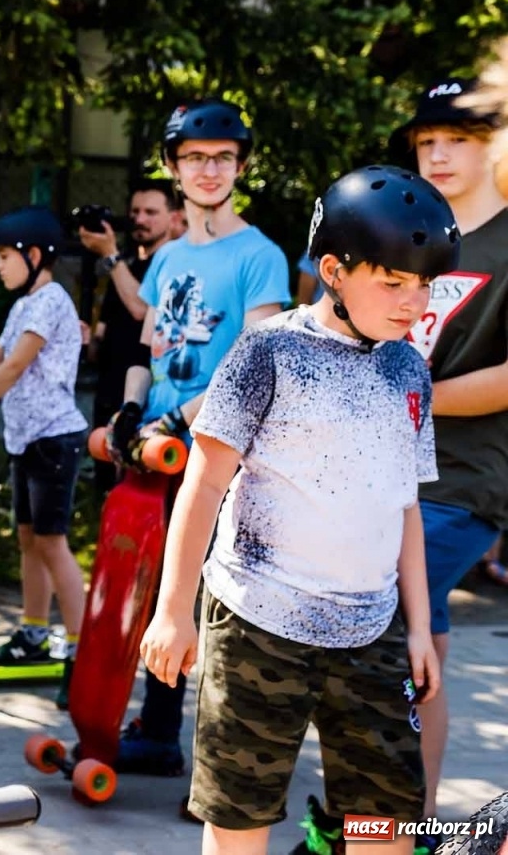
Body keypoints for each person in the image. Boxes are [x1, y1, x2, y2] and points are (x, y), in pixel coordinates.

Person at [140, 165, 456, 855]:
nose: (414, 302)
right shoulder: (269, 352)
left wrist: (419, 628)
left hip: (371, 629)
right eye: (394, 283)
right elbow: (203, 484)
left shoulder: (409, 370)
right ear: (335, 271)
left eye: (425, 284)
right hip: (258, 623)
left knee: (385, 823)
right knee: (239, 820)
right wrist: (172, 611)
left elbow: (404, 503)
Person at [108, 99, 291, 777]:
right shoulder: (168, 256)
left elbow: (255, 362)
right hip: (156, 449)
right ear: (173, 166)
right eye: (194, 158)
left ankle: (229, 765)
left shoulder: (260, 256)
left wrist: (178, 418)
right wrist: (132, 408)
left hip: (220, 457)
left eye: (222, 158)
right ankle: (158, 732)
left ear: (241, 166)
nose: (208, 170)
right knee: (162, 591)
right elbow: (146, 349)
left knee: (218, 605)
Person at [388, 76, 508, 851]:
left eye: (456, 139)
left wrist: (413, 394)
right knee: (421, 646)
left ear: (493, 146)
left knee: (383, 631)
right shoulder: (413, 237)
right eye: (426, 141)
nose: (436, 154)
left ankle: (382, 822)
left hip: (465, 483)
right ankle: (415, 823)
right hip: (387, 477)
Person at [0, 207, 89, 709]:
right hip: (26, 439)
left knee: (52, 542)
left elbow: (16, 366)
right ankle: (34, 632)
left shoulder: (51, 301)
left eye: (3, 256)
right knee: (28, 539)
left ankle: (81, 650)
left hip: (54, 438)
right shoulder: (23, 305)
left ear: (34, 255)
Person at [78, 179, 180, 499]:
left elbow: (140, 309)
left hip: (145, 391)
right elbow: (103, 329)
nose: (140, 219)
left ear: (174, 217)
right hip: (110, 384)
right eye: (135, 212)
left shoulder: (174, 265)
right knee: (108, 489)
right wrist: (85, 339)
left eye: (151, 212)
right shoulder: (127, 264)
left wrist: (110, 255)